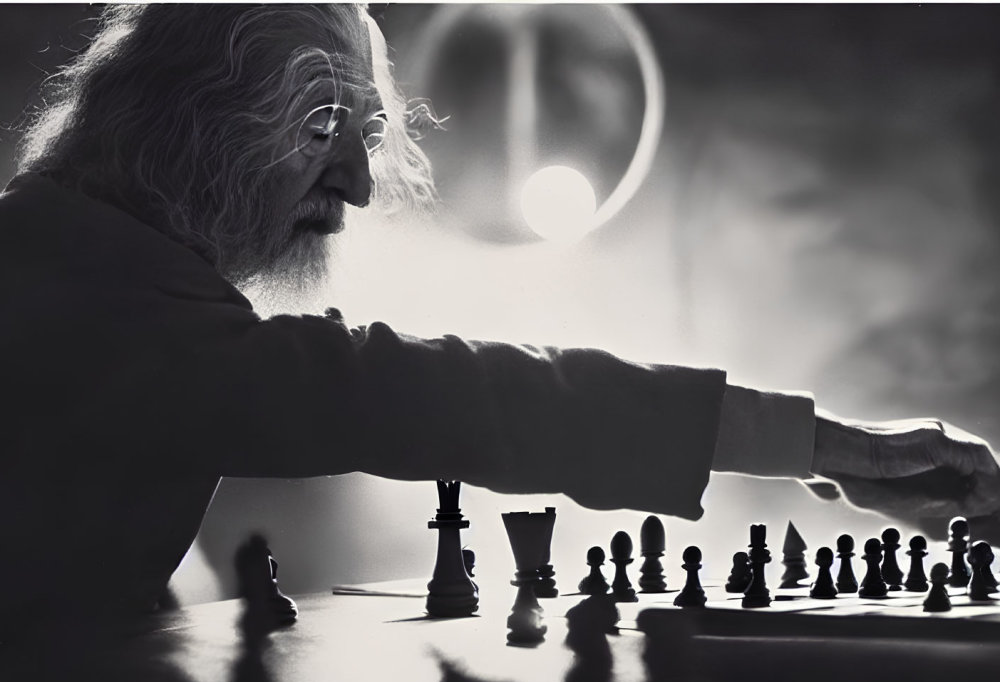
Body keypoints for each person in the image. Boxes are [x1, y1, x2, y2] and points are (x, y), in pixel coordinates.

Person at [1, 4, 998, 630]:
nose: (352, 181)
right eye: (319, 127)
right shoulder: (100, 311)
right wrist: (831, 443)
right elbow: (436, 392)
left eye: (368, 136)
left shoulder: (88, 273)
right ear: (185, 123)